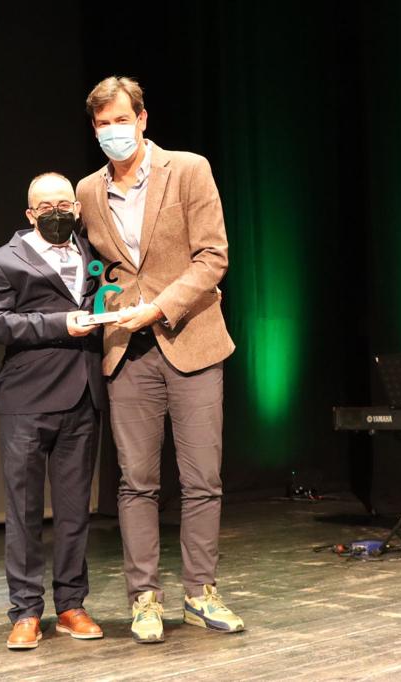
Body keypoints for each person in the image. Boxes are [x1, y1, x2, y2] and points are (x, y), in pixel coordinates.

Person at [75, 76, 243, 643]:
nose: (112, 133)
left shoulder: (189, 169)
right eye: (102, 125)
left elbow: (213, 256)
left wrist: (160, 308)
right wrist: (106, 308)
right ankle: (144, 598)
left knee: (202, 479)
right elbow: (97, 268)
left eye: (121, 120)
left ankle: (201, 592)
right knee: (136, 481)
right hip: (127, 350)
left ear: (143, 119)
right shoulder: (87, 190)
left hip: (190, 337)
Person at [0, 172, 106, 650]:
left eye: (65, 203)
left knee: (75, 512)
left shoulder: (92, 254)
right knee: (25, 511)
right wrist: (59, 323)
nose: (58, 211)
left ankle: (71, 605)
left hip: (83, 396)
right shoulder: (2, 261)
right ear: (31, 214)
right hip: (27, 401)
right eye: (46, 206)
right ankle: (26, 611)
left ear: (76, 207)